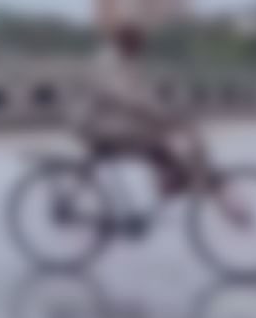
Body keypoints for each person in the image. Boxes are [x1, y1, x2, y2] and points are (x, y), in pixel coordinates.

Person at [74, 24, 201, 197]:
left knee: (160, 135)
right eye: (138, 43)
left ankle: (171, 178)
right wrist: (158, 113)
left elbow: (142, 93)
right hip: (98, 124)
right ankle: (171, 179)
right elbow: (124, 96)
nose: (141, 48)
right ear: (126, 42)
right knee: (154, 139)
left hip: (112, 119)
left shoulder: (126, 61)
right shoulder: (107, 62)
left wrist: (165, 111)